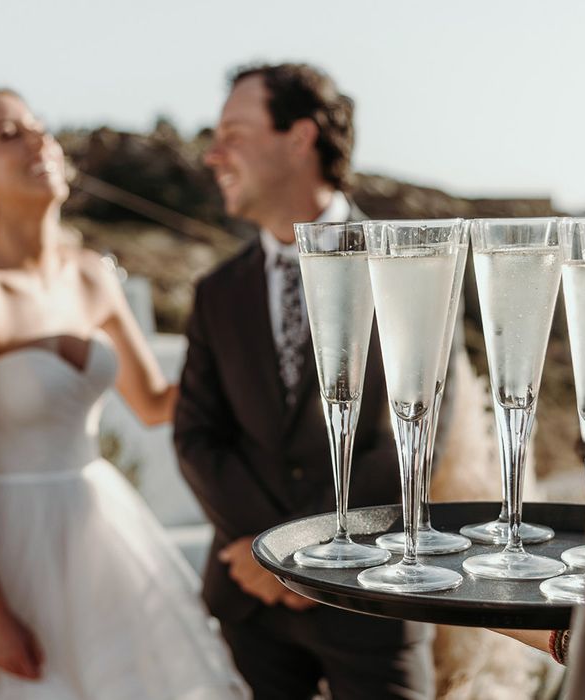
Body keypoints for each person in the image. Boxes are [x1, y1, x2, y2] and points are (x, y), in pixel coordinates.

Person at [0, 87, 247, 699]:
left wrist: (235, 343)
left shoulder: (92, 274)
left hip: (102, 532)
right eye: (9, 134)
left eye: (37, 126)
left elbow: (155, 403)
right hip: (5, 545)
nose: (37, 140)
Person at [174, 63, 438, 700]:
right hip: (248, 604)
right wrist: (269, 554)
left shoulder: (414, 264)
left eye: (234, 132)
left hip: (375, 596)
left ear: (300, 137)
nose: (214, 154)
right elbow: (196, 436)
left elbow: (419, 432)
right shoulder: (217, 292)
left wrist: (298, 553)